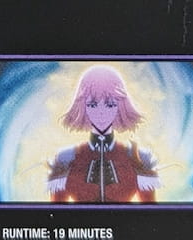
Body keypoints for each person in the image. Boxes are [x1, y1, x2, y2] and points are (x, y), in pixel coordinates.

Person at [47, 64, 159, 203]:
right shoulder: (65, 158)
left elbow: (149, 210)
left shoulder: (139, 158)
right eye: (93, 105)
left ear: (120, 106)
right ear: (82, 106)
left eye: (110, 104)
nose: (101, 112)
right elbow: (56, 210)